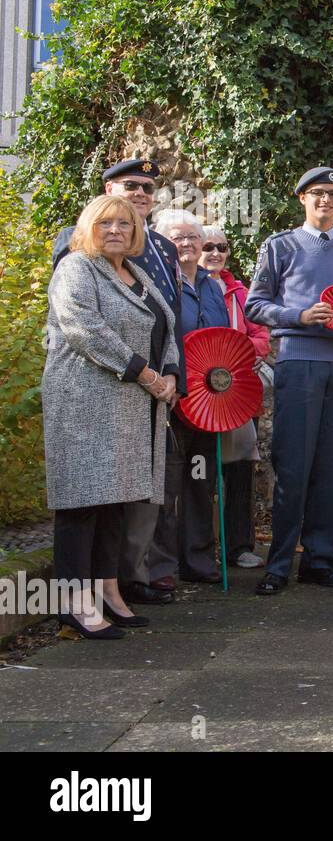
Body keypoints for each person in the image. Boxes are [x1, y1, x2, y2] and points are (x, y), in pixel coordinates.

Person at [43, 195, 180, 637]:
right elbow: (85, 329)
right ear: (88, 227)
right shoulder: (76, 268)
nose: (116, 230)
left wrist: (172, 374)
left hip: (130, 405)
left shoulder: (137, 273)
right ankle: (73, 603)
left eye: (124, 223)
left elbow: (166, 327)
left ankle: (109, 592)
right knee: (82, 503)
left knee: (115, 501)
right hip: (85, 403)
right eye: (105, 223)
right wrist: (147, 375)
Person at [244, 166, 333, 595]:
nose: (326, 201)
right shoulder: (280, 247)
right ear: (302, 198)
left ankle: (319, 559)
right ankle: (278, 564)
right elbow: (254, 305)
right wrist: (297, 316)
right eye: (317, 193)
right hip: (297, 362)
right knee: (294, 466)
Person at [149, 209, 231, 588]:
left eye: (193, 238)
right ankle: (160, 566)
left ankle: (198, 559)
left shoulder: (214, 287)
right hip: (171, 396)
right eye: (177, 238)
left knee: (201, 479)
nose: (187, 244)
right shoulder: (159, 283)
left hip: (208, 401)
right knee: (166, 483)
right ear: (163, 242)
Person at [199, 225, 268, 570]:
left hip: (238, 391)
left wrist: (234, 348)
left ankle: (239, 545)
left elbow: (260, 336)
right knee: (200, 471)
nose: (214, 253)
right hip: (197, 394)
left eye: (221, 247)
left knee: (240, 468)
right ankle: (199, 549)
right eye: (207, 246)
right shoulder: (186, 289)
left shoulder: (240, 292)